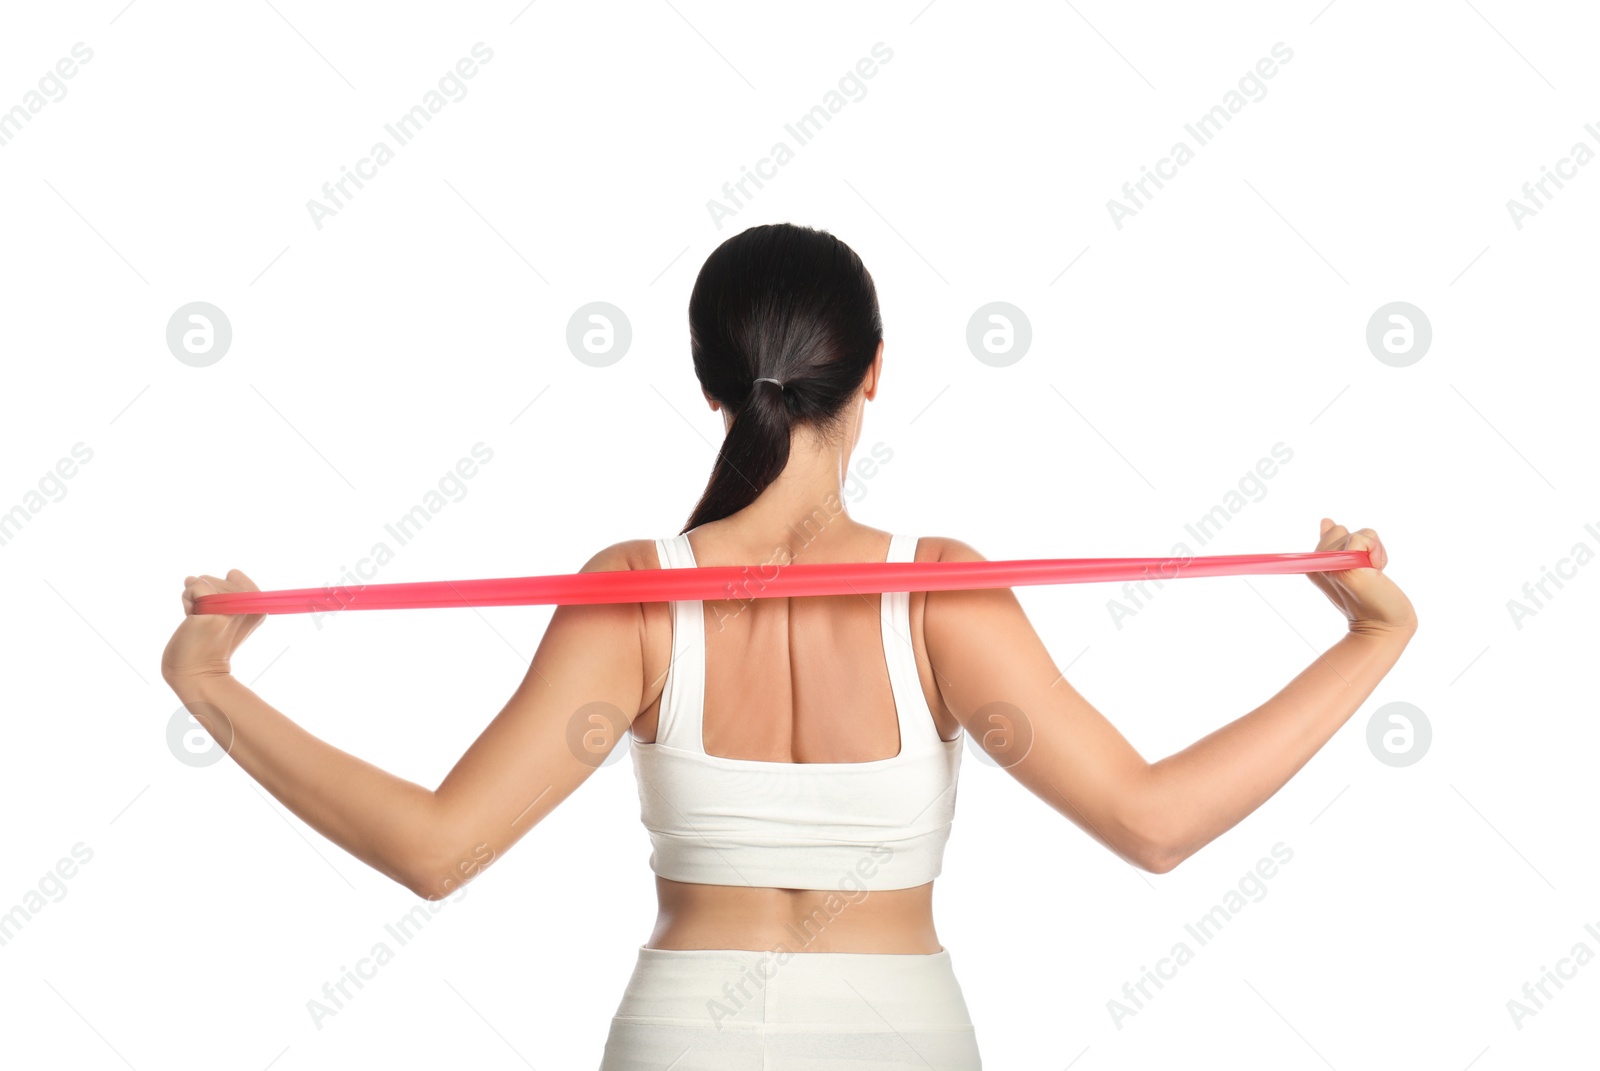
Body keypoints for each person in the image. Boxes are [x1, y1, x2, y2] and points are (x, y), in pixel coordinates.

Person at [161, 222, 1418, 1069]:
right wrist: (1367, 647)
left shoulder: (634, 599)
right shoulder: (940, 596)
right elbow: (1152, 822)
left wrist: (210, 684)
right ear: (875, 371)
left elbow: (438, 852)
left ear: (709, 386)